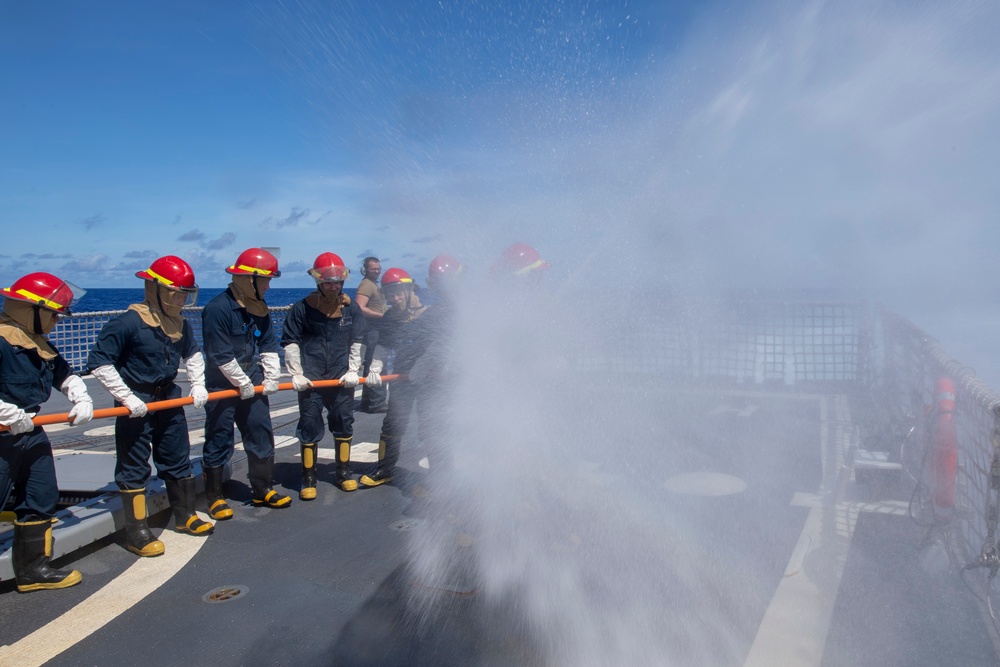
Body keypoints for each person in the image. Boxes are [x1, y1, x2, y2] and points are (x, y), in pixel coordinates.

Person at [88, 256, 213, 558]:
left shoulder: (179, 323)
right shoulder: (127, 323)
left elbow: (193, 354)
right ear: (156, 290)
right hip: (137, 402)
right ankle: (137, 532)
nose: (181, 301)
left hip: (169, 398)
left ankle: (185, 516)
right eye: (177, 294)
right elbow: (100, 362)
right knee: (133, 466)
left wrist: (198, 384)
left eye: (185, 295)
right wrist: (126, 397)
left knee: (177, 456)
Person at [0, 272, 92, 591]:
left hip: (29, 431)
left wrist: (81, 396)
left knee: (40, 494)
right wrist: (6, 413)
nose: (56, 320)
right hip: (3, 433)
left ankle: (32, 570)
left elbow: (62, 373)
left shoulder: (35, 342)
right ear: (31, 310)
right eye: (53, 314)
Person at [200, 247, 291, 519]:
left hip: (252, 376)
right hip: (222, 382)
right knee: (219, 437)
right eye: (264, 281)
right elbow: (220, 354)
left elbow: (268, 343)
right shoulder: (217, 309)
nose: (268, 287)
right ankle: (215, 497)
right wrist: (241, 383)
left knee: (260, 431)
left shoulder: (258, 308)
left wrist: (271, 376)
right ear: (248, 279)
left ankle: (262, 488)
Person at [282, 252, 368, 498]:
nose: (334, 287)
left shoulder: (351, 310)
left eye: (337, 282)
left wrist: (353, 370)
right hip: (312, 377)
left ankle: (344, 472)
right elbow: (290, 341)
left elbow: (358, 340)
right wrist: (297, 373)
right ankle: (308, 477)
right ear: (318, 281)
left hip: (340, 376)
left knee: (343, 421)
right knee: (309, 424)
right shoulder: (301, 309)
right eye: (328, 282)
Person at [357, 267, 427, 488]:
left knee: (430, 427)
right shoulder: (389, 317)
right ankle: (385, 470)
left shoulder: (427, 314)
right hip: (401, 377)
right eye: (390, 294)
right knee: (393, 424)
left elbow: (438, 346)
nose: (395, 299)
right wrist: (375, 368)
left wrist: (424, 367)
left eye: (398, 293)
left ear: (408, 289)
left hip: (427, 379)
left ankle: (437, 480)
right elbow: (384, 345)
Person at [355, 256, 388, 413]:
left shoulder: (374, 285)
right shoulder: (367, 285)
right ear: (365, 270)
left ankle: (367, 402)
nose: (376, 271)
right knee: (377, 364)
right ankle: (376, 403)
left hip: (376, 329)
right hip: (372, 330)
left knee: (371, 365)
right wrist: (382, 316)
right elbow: (359, 307)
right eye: (373, 269)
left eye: (378, 268)